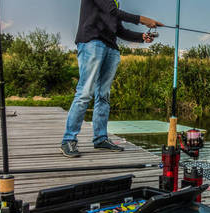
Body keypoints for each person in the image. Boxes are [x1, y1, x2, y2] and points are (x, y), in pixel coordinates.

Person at [60, 0, 164, 158]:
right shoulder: (111, 5)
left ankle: (100, 138)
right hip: (91, 43)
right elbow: (112, 11)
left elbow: (119, 30)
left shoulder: (115, 2)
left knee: (104, 95)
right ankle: (68, 140)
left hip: (111, 48)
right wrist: (143, 19)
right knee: (85, 93)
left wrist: (141, 37)